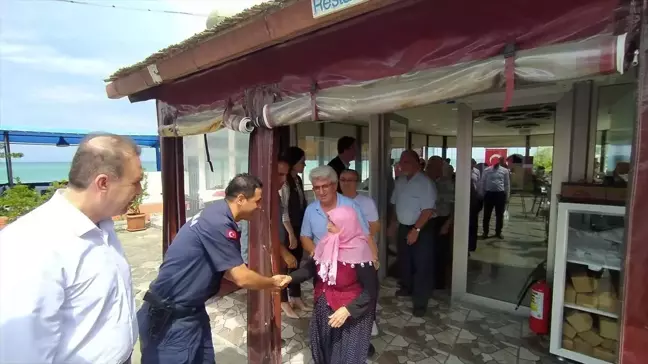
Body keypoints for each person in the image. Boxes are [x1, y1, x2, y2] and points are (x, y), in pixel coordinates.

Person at [0, 133, 142, 364]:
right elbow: (21, 352)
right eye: (135, 182)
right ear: (103, 183)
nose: (138, 191)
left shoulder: (102, 225)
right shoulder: (31, 245)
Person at [137, 174, 291, 364]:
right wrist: (271, 283)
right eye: (257, 201)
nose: (259, 207)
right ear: (241, 199)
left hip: (192, 313)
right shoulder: (217, 222)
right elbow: (241, 277)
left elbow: (225, 266)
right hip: (169, 319)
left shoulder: (217, 213)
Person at [300, 165, 378, 357]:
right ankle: (332, 345)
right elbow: (305, 236)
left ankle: (355, 346)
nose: (321, 191)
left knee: (352, 314)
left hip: (350, 267)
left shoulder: (350, 207)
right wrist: (319, 256)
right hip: (324, 269)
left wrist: (373, 258)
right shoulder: (311, 209)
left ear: (334, 186)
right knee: (326, 308)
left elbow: (364, 235)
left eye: (325, 186)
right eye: (316, 188)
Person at [289, 206, 378, 364]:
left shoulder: (360, 252)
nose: (328, 226)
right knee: (324, 354)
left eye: (333, 223)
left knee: (344, 358)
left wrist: (348, 310)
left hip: (350, 316)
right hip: (325, 309)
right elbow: (311, 268)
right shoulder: (326, 243)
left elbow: (371, 291)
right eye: (328, 221)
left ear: (346, 225)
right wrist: (289, 279)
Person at [388, 150, 437, 317]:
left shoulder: (425, 183)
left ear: (417, 163)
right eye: (401, 162)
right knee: (405, 261)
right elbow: (395, 203)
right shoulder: (400, 181)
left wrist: (416, 230)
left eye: (407, 161)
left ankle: (420, 303)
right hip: (403, 226)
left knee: (422, 266)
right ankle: (406, 287)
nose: (403, 165)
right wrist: (393, 222)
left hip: (421, 229)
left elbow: (428, 210)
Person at [338, 168, 381, 340]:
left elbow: (375, 227)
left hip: (363, 252)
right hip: (341, 254)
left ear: (357, 182)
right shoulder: (335, 201)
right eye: (343, 179)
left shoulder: (366, 202)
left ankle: (369, 324)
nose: (346, 183)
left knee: (367, 290)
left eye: (351, 180)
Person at [277, 155, 310, 318]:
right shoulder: (283, 184)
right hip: (286, 229)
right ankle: (283, 301)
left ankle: (295, 297)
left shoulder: (297, 180)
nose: (304, 164)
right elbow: (283, 212)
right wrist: (290, 233)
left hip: (298, 226)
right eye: (301, 161)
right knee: (284, 264)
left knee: (295, 263)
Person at [425, 156, 455, 290]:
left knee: (441, 253)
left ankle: (439, 283)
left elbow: (454, 206)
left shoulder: (447, 183)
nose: (429, 168)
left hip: (442, 220)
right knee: (427, 252)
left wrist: (448, 223)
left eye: (433, 166)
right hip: (426, 220)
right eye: (428, 165)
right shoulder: (424, 181)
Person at [481, 157, 510, 239]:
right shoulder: (487, 170)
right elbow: (483, 182)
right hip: (489, 194)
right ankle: (485, 232)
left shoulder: (505, 171)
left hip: (500, 195)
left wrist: (507, 196)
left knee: (499, 215)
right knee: (486, 215)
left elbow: (507, 184)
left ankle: (498, 232)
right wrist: (482, 194)